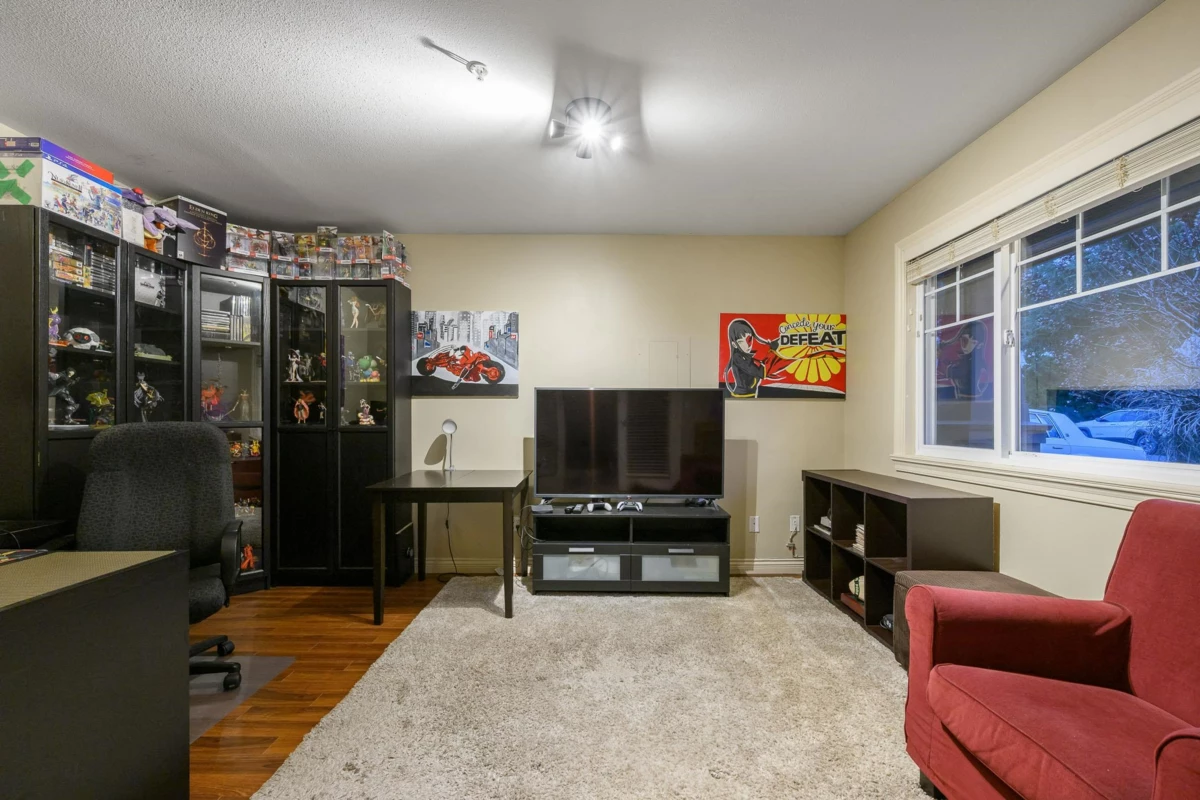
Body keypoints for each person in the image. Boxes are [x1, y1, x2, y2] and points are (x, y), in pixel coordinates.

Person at [722, 318, 786, 398]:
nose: (748, 345)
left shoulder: (745, 357)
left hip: (748, 396)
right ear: (734, 344)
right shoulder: (738, 358)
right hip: (741, 397)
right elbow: (759, 372)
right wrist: (771, 352)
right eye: (741, 341)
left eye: (749, 339)